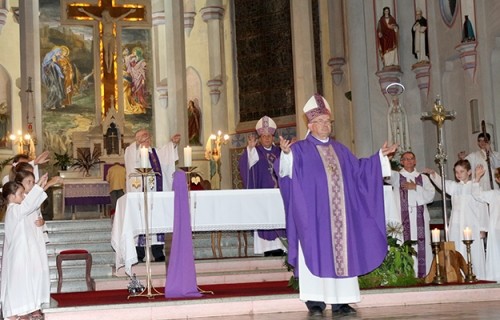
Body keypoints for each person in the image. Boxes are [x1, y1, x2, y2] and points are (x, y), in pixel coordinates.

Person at [278, 94, 397, 317]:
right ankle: (315, 302)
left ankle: (342, 302)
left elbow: (359, 171)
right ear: (310, 125)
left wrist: (378, 157)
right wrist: (285, 154)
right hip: (314, 218)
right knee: (314, 252)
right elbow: (286, 172)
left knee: (344, 252)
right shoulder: (300, 150)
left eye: (327, 121)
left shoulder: (341, 150)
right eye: (320, 122)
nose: (325, 125)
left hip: (341, 218)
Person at [423, 160, 489, 280]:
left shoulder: (475, 186)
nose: (458, 174)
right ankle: (459, 276)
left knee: (474, 252)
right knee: (457, 249)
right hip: (457, 225)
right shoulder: (454, 186)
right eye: (456, 172)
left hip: (472, 224)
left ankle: (477, 276)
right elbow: (442, 184)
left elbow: (482, 207)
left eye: (461, 171)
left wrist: (483, 228)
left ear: (469, 172)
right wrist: (433, 174)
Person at [124, 129, 181, 262]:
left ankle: (157, 251)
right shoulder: (131, 151)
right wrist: (138, 145)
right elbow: (131, 159)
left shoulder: (156, 152)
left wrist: (172, 143)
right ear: (137, 140)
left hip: (156, 195)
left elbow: (167, 154)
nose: (147, 139)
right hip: (140, 195)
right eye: (143, 137)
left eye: (148, 136)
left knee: (157, 221)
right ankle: (139, 252)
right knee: (140, 221)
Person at [0, 173, 49, 320]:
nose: (23, 196)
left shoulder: (16, 209)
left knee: (23, 282)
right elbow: (28, 206)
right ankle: (15, 311)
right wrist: (38, 186)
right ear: (12, 197)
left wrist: (39, 187)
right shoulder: (14, 209)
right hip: (18, 256)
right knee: (18, 283)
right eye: (21, 194)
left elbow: (31, 205)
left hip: (22, 254)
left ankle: (21, 311)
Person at [238, 116, 286, 256]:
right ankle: (267, 249)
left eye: (269, 136)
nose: (266, 138)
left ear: (273, 137)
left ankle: (283, 247)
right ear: (259, 138)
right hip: (263, 196)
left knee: (279, 219)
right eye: (264, 136)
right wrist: (250, 149)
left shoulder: (280, 151)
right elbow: (247, 165)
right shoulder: (256, 152)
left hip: (279, 195)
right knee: (265, 219)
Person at [388, 151, 435, 278]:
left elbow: (430, 196)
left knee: (422, 246)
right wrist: (388, 159)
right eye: (405, 159)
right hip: (402, 218)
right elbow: (386, 173)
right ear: (401, 162)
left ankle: (424, 274)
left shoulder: (423, 178)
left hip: (420, 218)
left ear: (415, 161)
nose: (409, 161)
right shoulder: (397, 177)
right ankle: (405, 275)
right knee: (402, 243)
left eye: (411, 158)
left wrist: (415, 187)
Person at [77, 8, 136, 74]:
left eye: (105, 15)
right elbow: (93, 17)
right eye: (103, 16)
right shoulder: (103, 21)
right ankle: (107, 65)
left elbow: (121, 17)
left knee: (111, 53)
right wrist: (84, 11)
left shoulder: (112, 20)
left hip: (111, 38)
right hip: (105, 37)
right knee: (106, 52)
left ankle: (109, 67)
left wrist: (130, 12)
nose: (104, 16)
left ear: (107, 14)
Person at [472, 167, 500, 281]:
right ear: (498, 180)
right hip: (497, 230)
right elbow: (477, 194)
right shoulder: (494, 194)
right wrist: (477, 177)